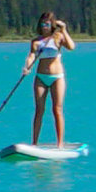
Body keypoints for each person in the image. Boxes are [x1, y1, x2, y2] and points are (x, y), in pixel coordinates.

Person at [22, 12, 76, 147]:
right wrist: (27, 67)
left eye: (47, 24)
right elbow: (31, 56)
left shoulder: (58, 37)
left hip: (57, 77)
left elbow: (71, 47)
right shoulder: (36, 41)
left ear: (51, 25)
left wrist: (64, 29)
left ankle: (60, 143)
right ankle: (34, 143)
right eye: (42, 24)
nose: (45, 26)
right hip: (41, 77)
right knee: (39, 110)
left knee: (57, 109)